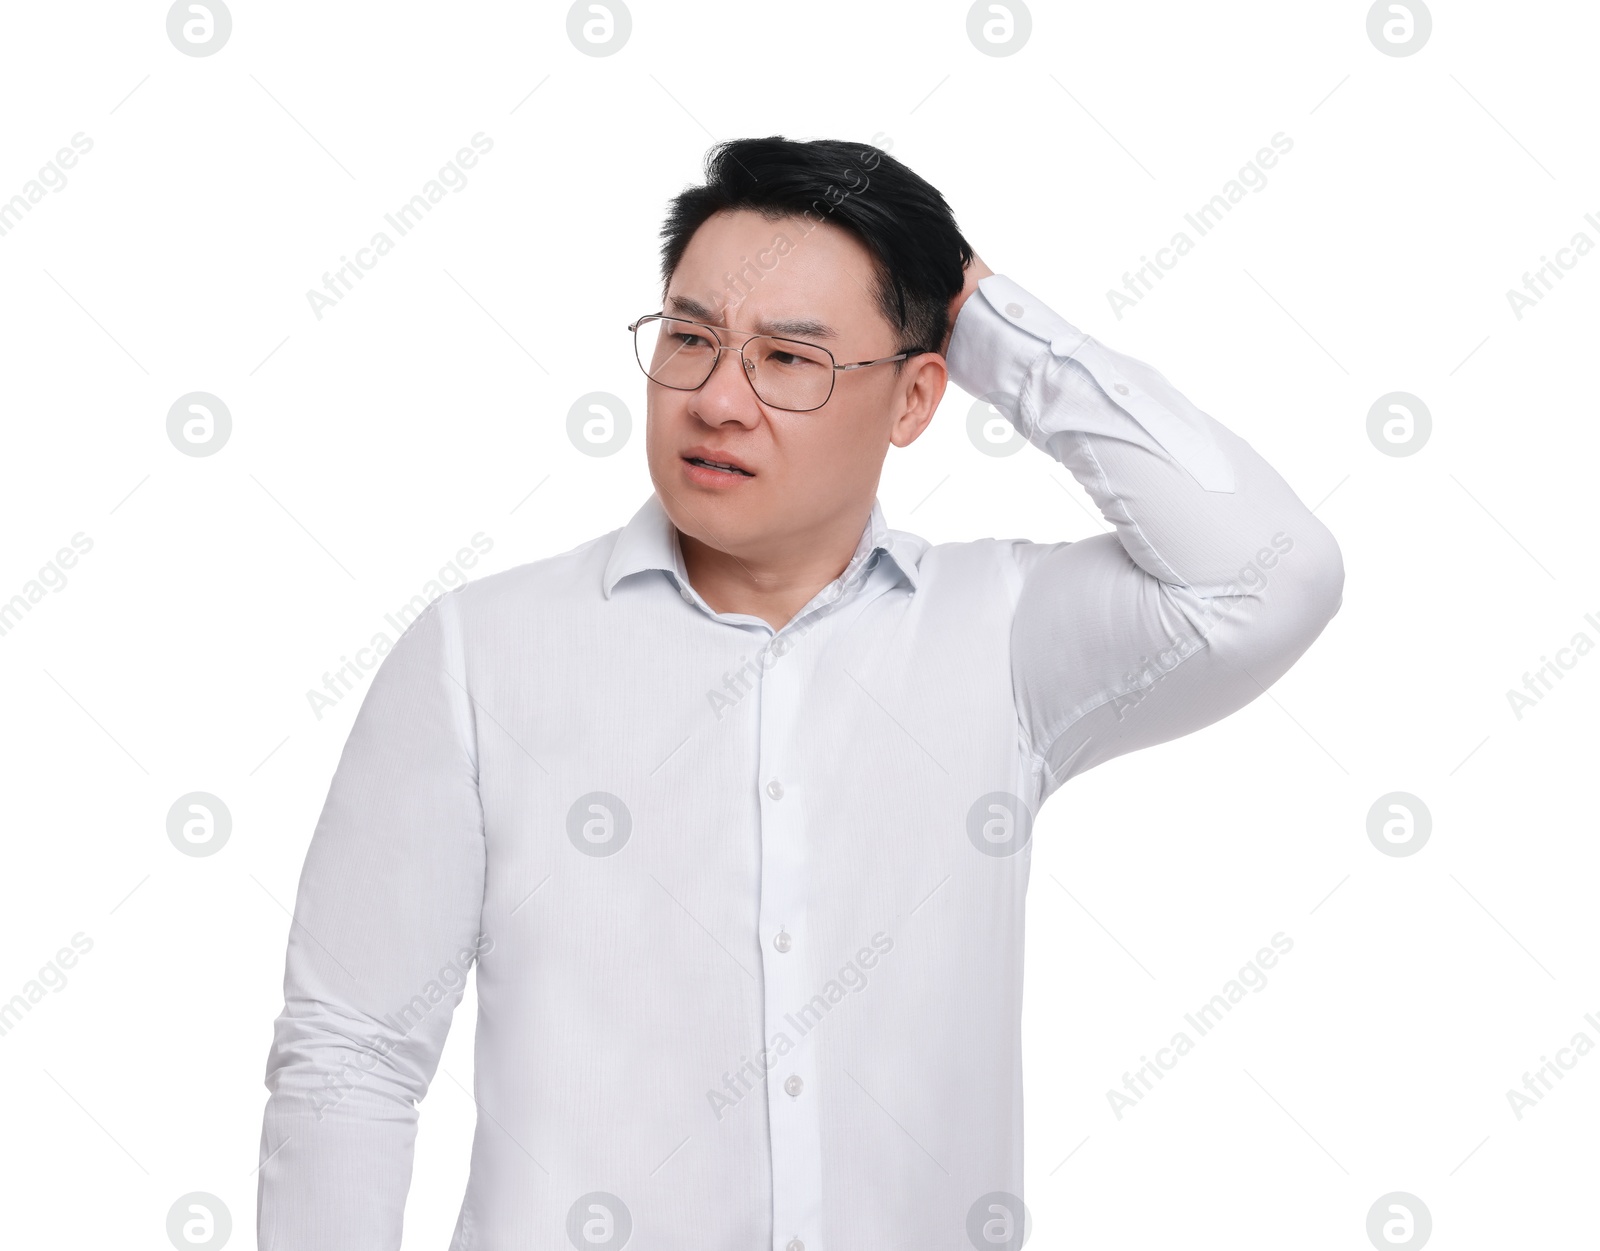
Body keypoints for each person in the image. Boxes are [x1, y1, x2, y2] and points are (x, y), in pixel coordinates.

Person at [257, 135, 1344, 1251]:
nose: (717, 398)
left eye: (788, 359)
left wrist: (988, 325)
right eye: (690, 339)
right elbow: (350, 1058)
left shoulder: (1000, 638)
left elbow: (1267, 576)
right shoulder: (477, 657)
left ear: (918, 395)